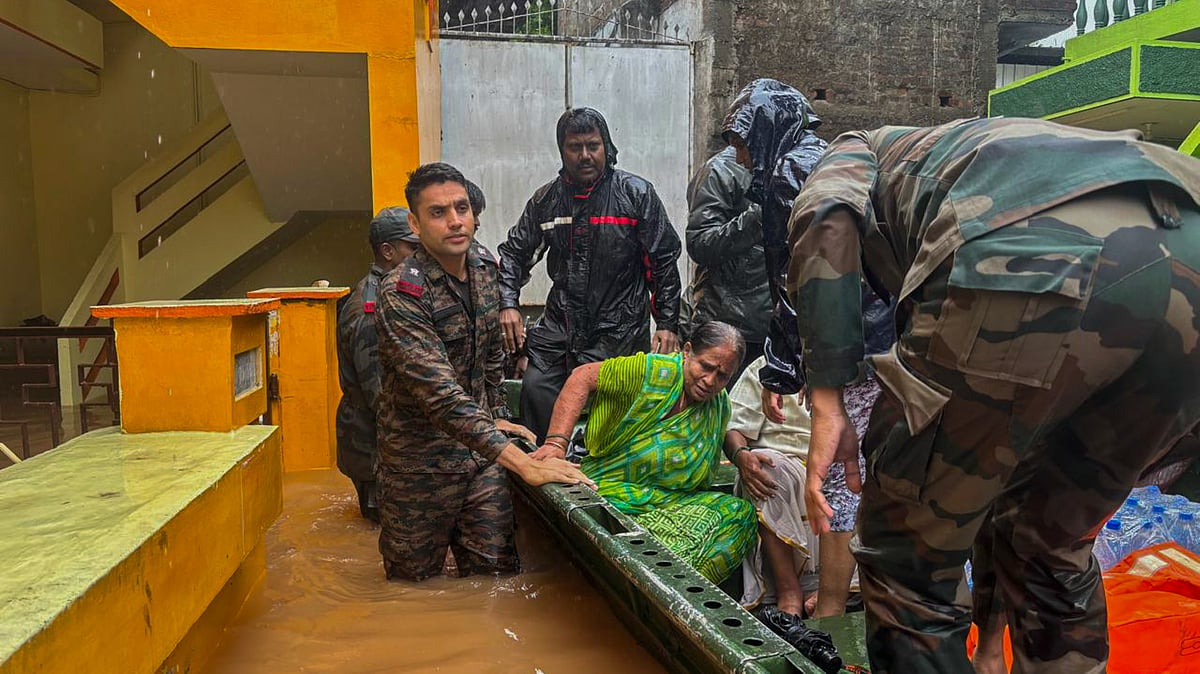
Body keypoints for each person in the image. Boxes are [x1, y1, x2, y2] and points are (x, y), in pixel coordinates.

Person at [791, 117, 1200, 673]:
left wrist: (827, 397)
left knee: (907, 569)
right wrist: (988, 639)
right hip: (1190, 260)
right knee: (1049, 542)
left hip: (1035, 257)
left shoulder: (858, 148)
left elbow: (825, 217)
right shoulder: (985, 148)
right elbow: (994, 485)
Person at [374, 162, 593, 581]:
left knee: (495, 583)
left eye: (462, 208)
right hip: (419, 471)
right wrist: (521, 463)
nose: (455, 221)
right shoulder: (402, 293)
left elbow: (492, 354)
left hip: (480, 461)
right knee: (412, 591)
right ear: (415, 224)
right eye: (438, 213)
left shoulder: (483, 267)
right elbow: (440, 395)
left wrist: (496, 413)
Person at [723, 78, 888, 622]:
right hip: (880, 339)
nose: (739, 155)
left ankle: (834, 613)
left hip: (855, 347)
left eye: (744, 141)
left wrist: (786, 368)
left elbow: (800, 283)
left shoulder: (792, 175)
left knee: (843, 481)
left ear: (767, 132)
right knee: (868, 475)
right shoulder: (829, 163)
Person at [498, 107, 684, 442]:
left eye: (593, 145)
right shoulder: (546, 200)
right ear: (562, 150)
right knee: (536, 390)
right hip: (560, 329)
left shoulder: (636, 194)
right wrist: (508, 303)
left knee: (610, 420)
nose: (585, 155)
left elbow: (663, 260)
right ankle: (540, 472)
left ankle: (597, 474)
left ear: (606, 147)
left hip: (618, 329)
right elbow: (514, 253)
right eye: (575, 147)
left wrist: (668, 323)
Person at [529, 321, 755, 585]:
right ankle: (659, 572)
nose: (709, 381)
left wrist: (740, 455)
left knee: (740, 513)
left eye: (722, 376)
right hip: (610, 493)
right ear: (687, 351)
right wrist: (556, 444)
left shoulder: (719, 404)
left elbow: (724, 434)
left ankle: (682, 585)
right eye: (705, 367)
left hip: (671, 503)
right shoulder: (652, 371)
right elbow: (582, 377)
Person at [335, 206, 420, 522]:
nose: (421, 255)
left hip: (387, 444)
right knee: (386, 534)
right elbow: (380, 395)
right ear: (388, 251)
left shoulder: (397, 292)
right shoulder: (371, 309)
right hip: (374, 446)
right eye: (413, 247)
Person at [686, 146, 770, 384]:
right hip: (730, 322)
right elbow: (701, 244)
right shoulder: (721, 170)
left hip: (780, 327)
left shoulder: (796, 163)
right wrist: (759, 218)